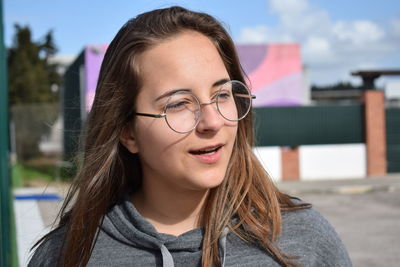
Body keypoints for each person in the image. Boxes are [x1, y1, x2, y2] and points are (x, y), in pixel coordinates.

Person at [29, 6, 352, 267]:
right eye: (179, 103)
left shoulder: (304, 240)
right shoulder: (68, 255)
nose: (212, 121)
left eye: (222, 94)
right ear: (128, 132)